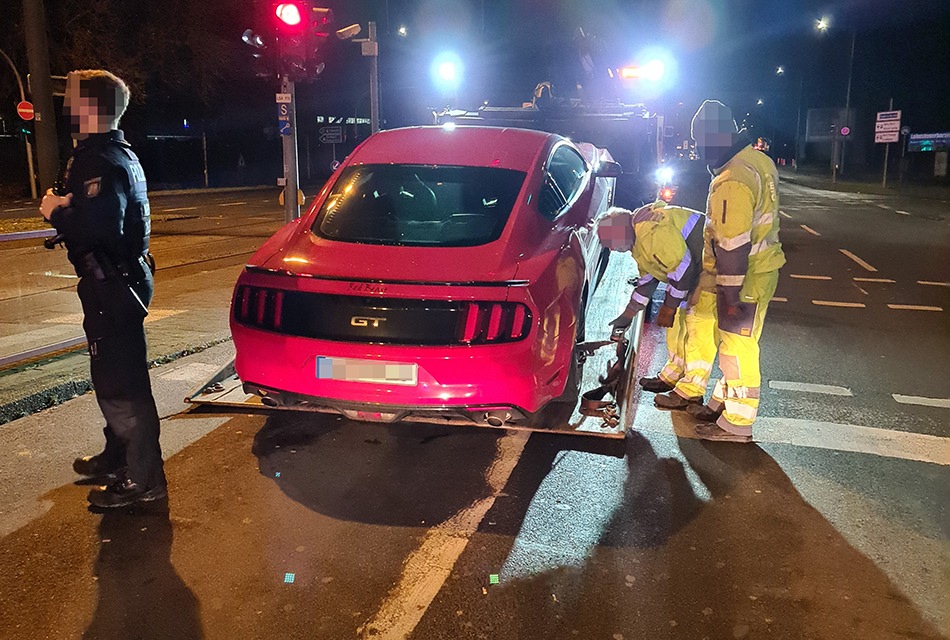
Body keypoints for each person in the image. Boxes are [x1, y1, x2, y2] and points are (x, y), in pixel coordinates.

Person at [39, 69, 166, 507]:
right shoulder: (114, 152)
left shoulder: (99, 158)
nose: (66, 106)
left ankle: (144, 478)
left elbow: (100, 226)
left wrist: (55, 211)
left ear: (90, 108)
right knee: (114, 374)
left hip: (112, 283)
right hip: (120, 279)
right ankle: (119, 456)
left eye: (72, 98)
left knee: (121, 383)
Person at [687, 99, 786, 443]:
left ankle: (738, 424)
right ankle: (722, 403)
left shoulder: (731, 179)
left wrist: (728, 295)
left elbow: (732, 244)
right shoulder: (758, 160)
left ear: (713, 136)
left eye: (699, 141)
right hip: (761, 271)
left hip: (742, 277)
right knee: (737, 342)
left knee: (735, 346)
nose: (699, 150)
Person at [596, 200, 717, 409]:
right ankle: (673, 374)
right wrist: (628, 314)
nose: (613, 250)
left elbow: (683, 270)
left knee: (697, 329)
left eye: (611, 244)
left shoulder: (649, 232)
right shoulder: (638, 241)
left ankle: (690, 392)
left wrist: (669, 306)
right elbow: (648, 281)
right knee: (677, 326)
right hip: (696, 269)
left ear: (618, 232)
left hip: (713, 267)